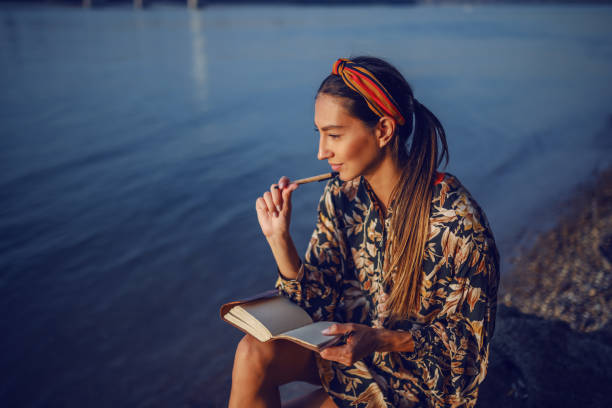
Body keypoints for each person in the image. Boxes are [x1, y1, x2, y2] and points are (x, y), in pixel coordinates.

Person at [229, 56, 500, 408]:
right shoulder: (343, 195)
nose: (321, 152)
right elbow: (316, 302)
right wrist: (279, 239)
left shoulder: (456, 221)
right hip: (349, 355)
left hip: (416, 385)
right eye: (320, 134)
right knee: (253, 350)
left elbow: (467, 353)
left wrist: (381, 340)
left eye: (335, 135)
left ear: (384, 130)